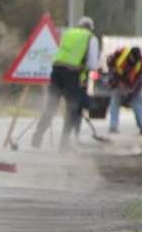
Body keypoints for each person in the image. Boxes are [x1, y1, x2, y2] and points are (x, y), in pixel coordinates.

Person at [32, 16, 99, 151]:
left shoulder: (68, 33)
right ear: (90, 28)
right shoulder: (90, 37)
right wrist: (85, 70)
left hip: (56, 69)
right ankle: (64, 142)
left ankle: (37, 137)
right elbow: (92, 64)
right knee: (72, 108)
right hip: (71, 73)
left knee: (51, 106)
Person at [106, 46, 142, 135]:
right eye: (133, 59)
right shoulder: (120, 53)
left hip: (131, 83)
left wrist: (132, 92)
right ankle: (113, 126)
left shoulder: (141, 62)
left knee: (139, 101)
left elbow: (139, 79)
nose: (134, 62)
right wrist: (117, 80)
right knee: (115, 102)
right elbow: (110, 63)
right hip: (117, 80)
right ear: (130, 55)